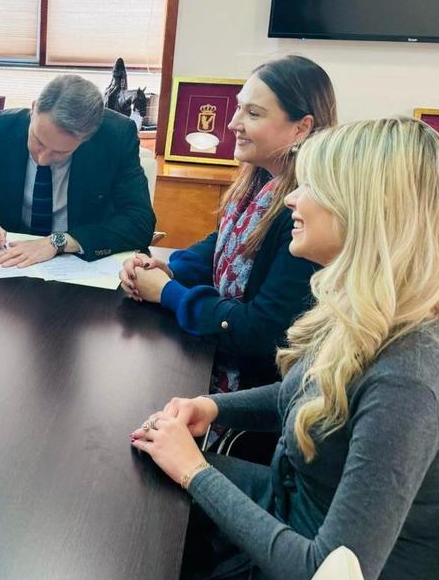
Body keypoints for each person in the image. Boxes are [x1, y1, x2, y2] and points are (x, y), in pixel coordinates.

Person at [131, 117, 439, 580]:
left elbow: (325, 577)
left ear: (364, 213)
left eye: (311, 189)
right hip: (300, 525)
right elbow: (307, 395)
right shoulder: (374, 312)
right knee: (138, 486)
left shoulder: (411, 377)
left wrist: (196, 470)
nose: (291, 201)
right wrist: (211, 405)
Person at [120, 55, 336, 393]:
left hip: (256, 393)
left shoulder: (307, 217)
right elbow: (221, 245)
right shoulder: (259, 184)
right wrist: (167, 268)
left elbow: (261, 333)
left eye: (253, 113)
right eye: (238, 108)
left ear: (302, 128)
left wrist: (167, 292)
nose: (234, 123)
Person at [0, 75, 155, 267]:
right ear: (33, 110)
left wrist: (59, 242)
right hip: (11, 264)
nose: (42, 159)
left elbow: (140, 222)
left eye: (59, 152)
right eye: (38, 141)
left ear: (86, 138)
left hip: (81, 268)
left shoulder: (115, 136)